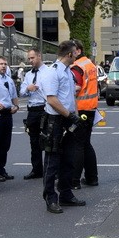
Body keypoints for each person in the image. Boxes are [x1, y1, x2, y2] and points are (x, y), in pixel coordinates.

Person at [39, 40, 86, 214]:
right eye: (75, 53)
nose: (77, 55)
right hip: (56, 120)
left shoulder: (68, 72)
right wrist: (70, 115)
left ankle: (66, 194)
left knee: (69, 159)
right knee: (52, 162)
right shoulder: (53, 72)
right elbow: (51, 99)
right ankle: (50, 198)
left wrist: (76, 115)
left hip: (68, 118)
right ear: (69, 54)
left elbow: (70, 96)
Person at [70, 39, 100, 188]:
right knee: (86, 144)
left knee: (78, 146)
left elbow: (75, 88)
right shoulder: (90, 64)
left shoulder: (77, 67)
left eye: (72, 50)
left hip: (80, 109)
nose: (70, 53)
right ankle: (91, 178)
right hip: (90, 109)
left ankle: (74, 181)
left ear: (78, 51)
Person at [19, 48, 46, 180]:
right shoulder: (29, 74)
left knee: (48, 140)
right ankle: (36, 170)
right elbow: (22, 92)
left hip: (45, 108)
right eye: (29, 59)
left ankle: (51, 169)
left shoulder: (48, 72)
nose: (30, 61)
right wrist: (28, 89)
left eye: (32, 58)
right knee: (33, 141)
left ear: (39, 56)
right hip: (32, 110)